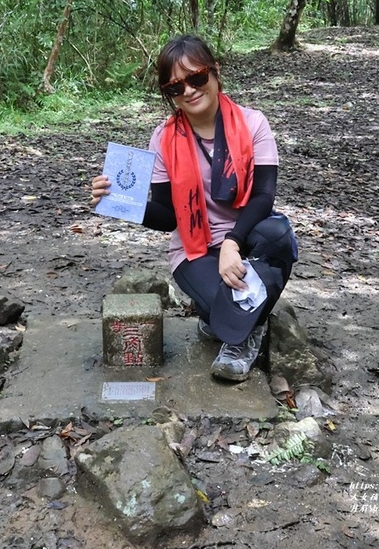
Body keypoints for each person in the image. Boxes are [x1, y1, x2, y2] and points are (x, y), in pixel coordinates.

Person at [90, 34, 298, 382]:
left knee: (278, 234)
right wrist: (120, 203)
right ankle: (223, 314)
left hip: (247, 237)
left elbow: (264, 196)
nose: (188, 91)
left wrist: (232, 243)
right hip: (194, 249)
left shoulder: (253, 124)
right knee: (227, 308)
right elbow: (168, 215)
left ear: (215, 71)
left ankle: (239, 338)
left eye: (197, 78)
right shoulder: (163, 138)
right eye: (175, 87)